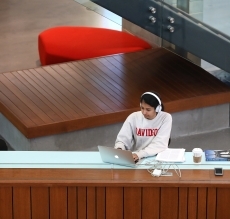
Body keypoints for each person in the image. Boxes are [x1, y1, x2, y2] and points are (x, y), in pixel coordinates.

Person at [114, 91, 172, 162]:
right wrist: (119, 148)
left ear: (157, 109)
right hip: (136, 157)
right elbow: (122, 139)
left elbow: (160, 144)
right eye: (142, 108)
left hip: (156, 157)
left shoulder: (166, 118)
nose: (144, 112)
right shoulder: (133, 117)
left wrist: (140, 154)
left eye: (148, 109)